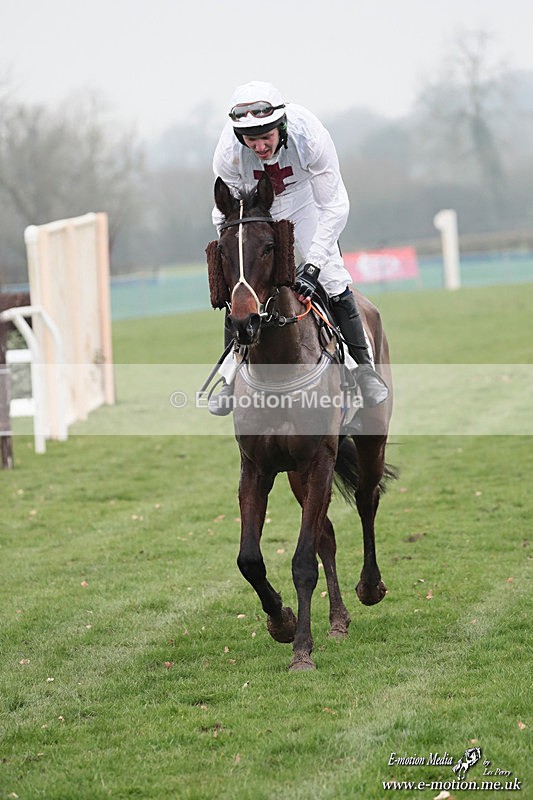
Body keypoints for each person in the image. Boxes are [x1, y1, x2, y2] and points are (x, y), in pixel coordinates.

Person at [208, 80, 388, 416]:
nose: (259, 146)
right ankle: (229, 378)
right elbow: (226, 214)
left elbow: (335, 206)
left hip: (305, 201)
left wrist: (314, 264)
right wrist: (232, 261)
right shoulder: (228, 155)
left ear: (282, 127)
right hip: (258, 209)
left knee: (333, 278)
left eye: (266, 136)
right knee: (242, 290)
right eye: (251, 139)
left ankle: (363, 371)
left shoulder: (310, 135)